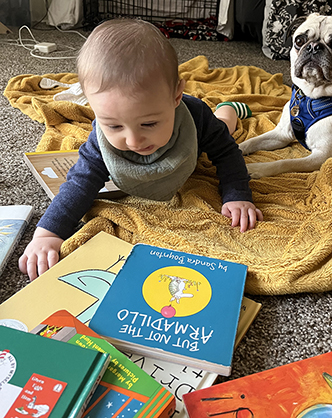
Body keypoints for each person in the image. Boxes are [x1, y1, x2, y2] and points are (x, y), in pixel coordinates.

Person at [19, 18, 263, 281]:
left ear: (176, 96)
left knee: (223, 129)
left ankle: (228, 109)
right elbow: (80, 183)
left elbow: (227, 154)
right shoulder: (100, 142)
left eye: (149, 123)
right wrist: (48, 233)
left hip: (200, 132)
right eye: (113, 126)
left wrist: (238, 194)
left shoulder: (194, 116)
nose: (133, 140)